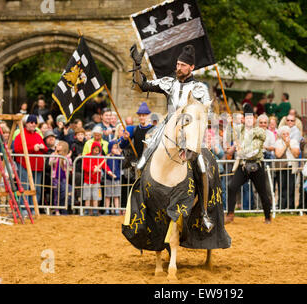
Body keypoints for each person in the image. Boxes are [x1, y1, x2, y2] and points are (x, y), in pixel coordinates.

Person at [130, 44, 213, 231]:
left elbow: (208, 113)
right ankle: (142, 208)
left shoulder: (200, 88)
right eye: (177, 64)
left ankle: (204, 213)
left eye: (183, 65)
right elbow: (141, 85)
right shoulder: (169, 82)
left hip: (190, 129)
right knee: (141, 164)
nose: (179, 68)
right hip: (168, 128)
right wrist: (137, 65)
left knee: (201, 167)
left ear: (192, 67)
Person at [225, 104, 272, 224]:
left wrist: (242, 152)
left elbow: (255, 150)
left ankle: (267, 216)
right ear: (244, 119)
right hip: (243, 166)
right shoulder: (240, 130)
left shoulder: (259, 131)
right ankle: (230, 214)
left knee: (263, 193)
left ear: (254, 119)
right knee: (232, 187)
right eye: (247, 118)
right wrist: (229, 123)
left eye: (251, 118)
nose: (249, 120)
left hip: (257, 165)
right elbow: (230, 132)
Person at [13, 114, 48, 214]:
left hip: (37, 166)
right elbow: (17, 149)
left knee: (36, 188)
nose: (33, 124)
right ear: (26, 123)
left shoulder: (38, 135)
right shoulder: (20, 135)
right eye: (31, 122)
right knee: (25, 186)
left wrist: (42, 147)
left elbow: (45, 149)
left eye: (35, 123)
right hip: (24, 165)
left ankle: (33, 208)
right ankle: (24, 208)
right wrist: (33, 148)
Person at [82, 141, 114, 216]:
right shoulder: (87, 156)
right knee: (87, 196)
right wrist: (93, 169)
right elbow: (84, 167)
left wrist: (109, 171)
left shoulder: (100, 157)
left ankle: (95, 210)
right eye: (95, 149)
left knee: (96, 196)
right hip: (87, 181)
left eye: (98, 150)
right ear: (92, 149)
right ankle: (87, 210)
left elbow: (105, 166)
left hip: (96, 181)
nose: (96, 151)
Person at [274, 125, 300, 210]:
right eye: (283, 134)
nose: (285, 135)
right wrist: (285, 145)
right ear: (281, 135)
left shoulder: (294, 141)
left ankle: (291, 207)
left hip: (291, 167)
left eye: (287, 133)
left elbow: (296, 154)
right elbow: (278, 154)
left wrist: (289, 146)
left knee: (291, 187)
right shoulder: (278, 142)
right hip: (281, 168)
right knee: (282, 187)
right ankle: (281, 206)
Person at [49, 140, 72, 215]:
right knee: (56, 194)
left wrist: (67, 158)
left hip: (64, 178)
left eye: (59, 145)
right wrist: (56, 156)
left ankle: (63, 208)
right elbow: (51, 163)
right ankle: (56, 210)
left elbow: (69, 165)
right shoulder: (53, 154)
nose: (57, 146)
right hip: (55, 177)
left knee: (64, 193)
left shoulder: (67, 157)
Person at [103, 141, 122, 216]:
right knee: (108, 195)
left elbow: (122, 164)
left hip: (116, 178)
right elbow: (104, 166)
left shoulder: (118, 156)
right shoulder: (108, 156)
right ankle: (107, 209)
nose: (115, 149)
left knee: (116, 195)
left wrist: (119, 155)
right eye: (113, 148)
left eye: (116, 147)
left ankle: (116, 209)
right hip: (108, 178)